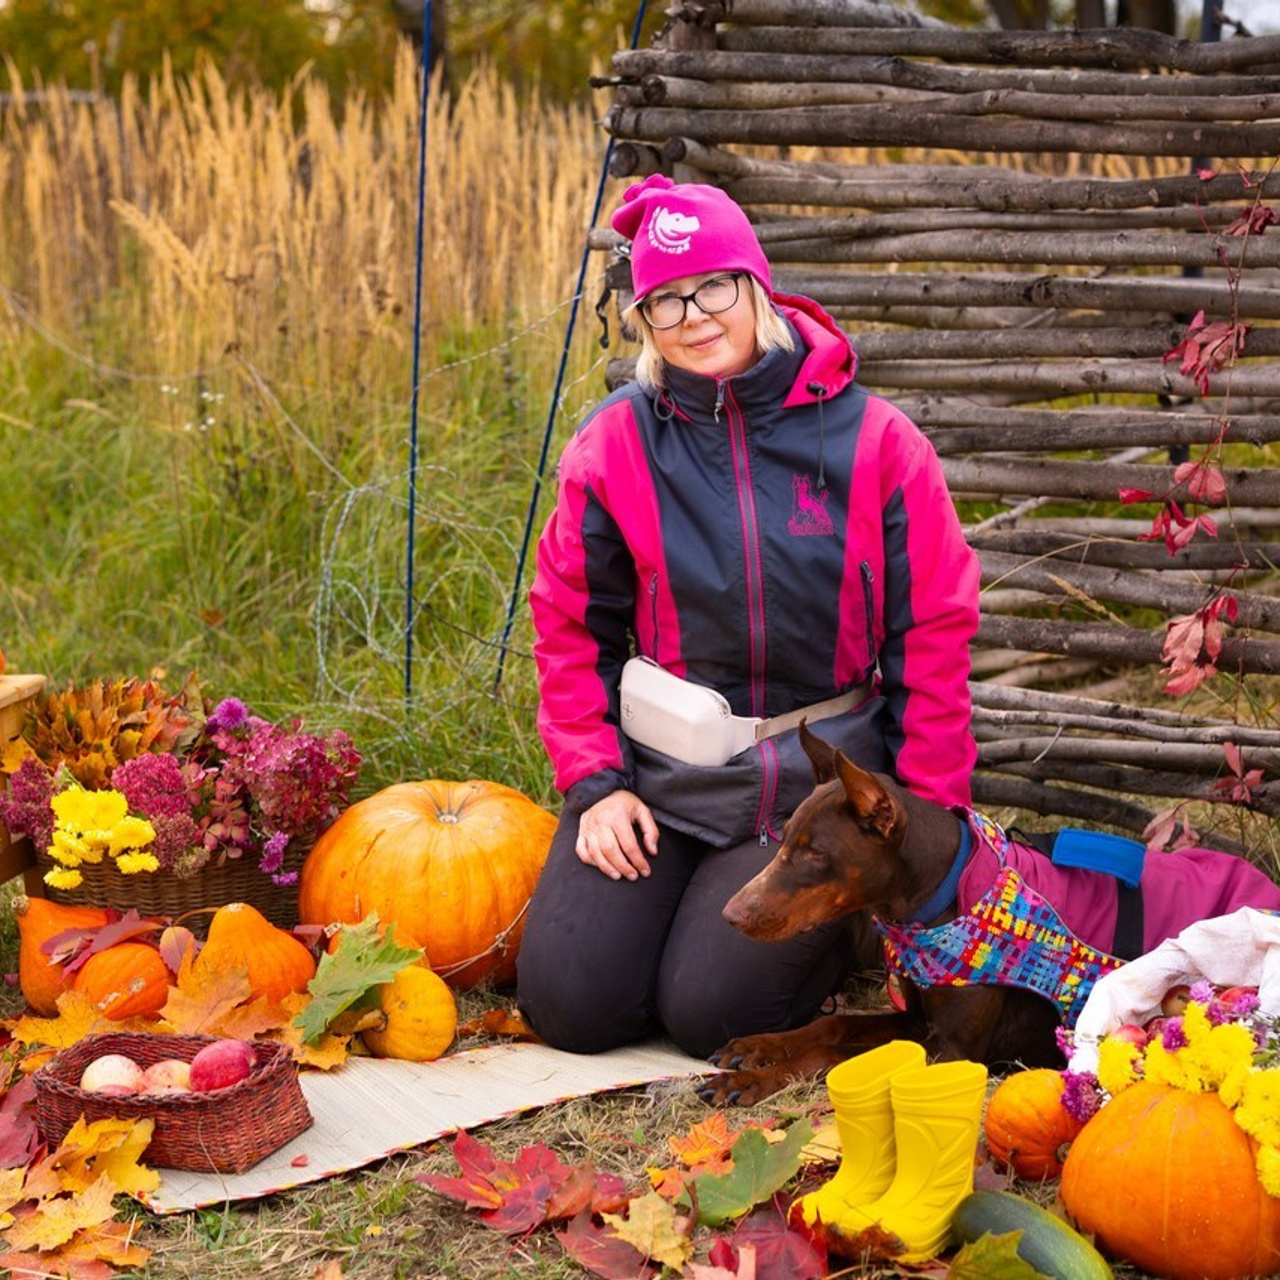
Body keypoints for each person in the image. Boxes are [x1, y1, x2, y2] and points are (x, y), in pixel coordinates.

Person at [516, 174, 979, 1060]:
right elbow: (569, 624)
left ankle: (821, 930)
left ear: (756, 287)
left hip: (810, 799)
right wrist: (596, 784)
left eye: (713, 287)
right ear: (643, 322)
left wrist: (930, 820)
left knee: (709, 1018)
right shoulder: (615, 444)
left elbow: (934, 633)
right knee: (574, 1007)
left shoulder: (876, 442)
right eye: (663, 302)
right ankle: (668, 906)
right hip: (660, 780)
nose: (693, 316)